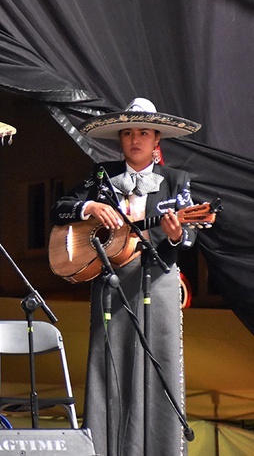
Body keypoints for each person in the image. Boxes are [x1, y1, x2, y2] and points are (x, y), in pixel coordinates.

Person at [51, 98, 201, 456]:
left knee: (157, 362)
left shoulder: (175, 181)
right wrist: (90, 206)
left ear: (156, 140)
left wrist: (177, 232)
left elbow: (190, 238)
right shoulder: (102, 175)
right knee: (108, 365)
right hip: (112, 281)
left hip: (158, 281)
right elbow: (60, 208)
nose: (135, 139)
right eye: (129, 133)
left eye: (144, 133)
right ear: (121, 139)